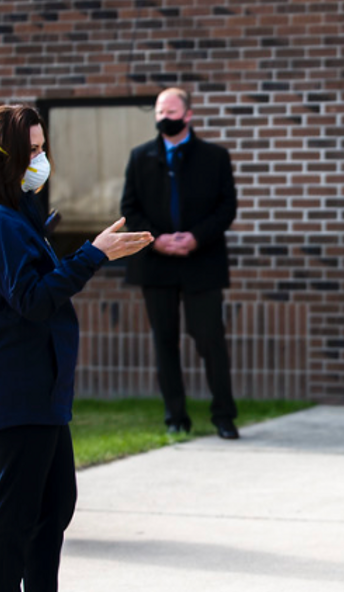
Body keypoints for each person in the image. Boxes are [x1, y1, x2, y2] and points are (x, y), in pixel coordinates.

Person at [0, 104, 153, 592]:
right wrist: (94, 255)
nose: (41, 160)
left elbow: (37, 283)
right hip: (16, 384)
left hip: (40, 386)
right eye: (31, 151)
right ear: (2, 157)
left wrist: (93, 252)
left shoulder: (17, 216)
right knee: (17, 515)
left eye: (43, 148)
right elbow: (33, 300)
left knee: (54, 506)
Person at [121, 87, 241, 439]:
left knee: (210, 339)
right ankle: (175, 416)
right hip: (156, 264)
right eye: (160, 111)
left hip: (201, 261)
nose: (165, 118)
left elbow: (226, 207)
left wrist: (196, 237)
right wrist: (156, 239)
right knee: (165, 341)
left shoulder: (214, 157)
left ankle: (223, 415)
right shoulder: (140, 157)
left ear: (187, 115)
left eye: (172, 111)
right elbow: (130, 209)